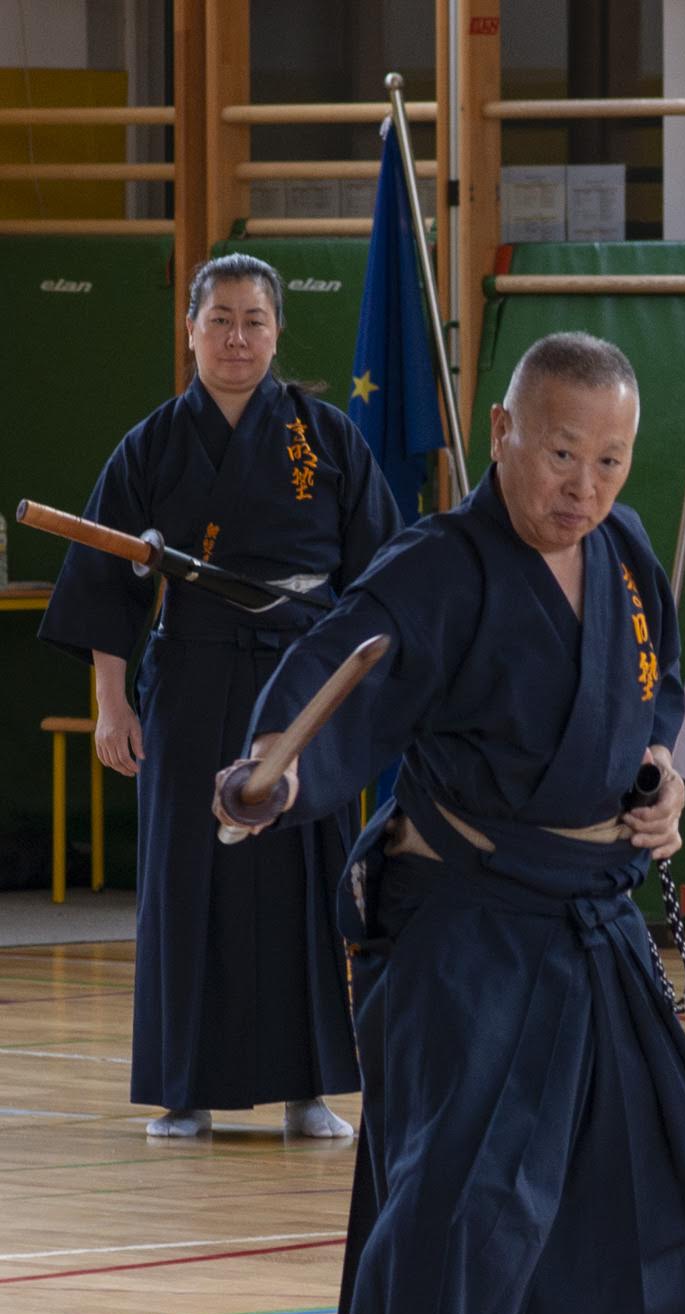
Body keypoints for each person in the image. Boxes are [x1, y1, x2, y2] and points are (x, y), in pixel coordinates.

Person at [215, 332, 685, 1314]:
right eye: (563, 453)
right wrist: (268, 775)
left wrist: (661, 774)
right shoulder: (437, 566)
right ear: (505, 433)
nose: (584, 488)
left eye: (612, 461)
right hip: (464, 918)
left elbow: (649, 688)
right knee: (459, 1180)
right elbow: (333, 677)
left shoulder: (621, 554)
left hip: (587, 911)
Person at [40, 252, 402, 1138]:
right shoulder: (153, 444)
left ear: (278, 333)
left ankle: (307, 1086)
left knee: (303, 874)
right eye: (220, 319)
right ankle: (183, 1087)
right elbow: (103, 580)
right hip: (194, 675)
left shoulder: (327, 438)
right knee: (185, 875)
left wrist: (356, 701)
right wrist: (113, 703)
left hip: (299, 684)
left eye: (254, 320)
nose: (237, 337)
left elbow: (382, 578)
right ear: (190, 329)